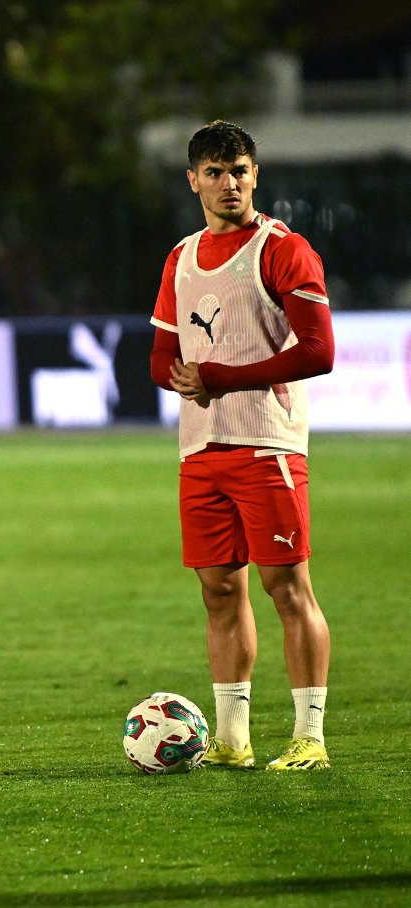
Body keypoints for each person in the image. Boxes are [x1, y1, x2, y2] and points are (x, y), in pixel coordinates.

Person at [150, 120, 335, 771]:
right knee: (219, 590)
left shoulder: (283, 249)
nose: (230, 184)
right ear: (194, 179)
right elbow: (161, 356)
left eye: (241, 171)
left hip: (266, 445)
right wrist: (177, 372)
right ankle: (232, 740)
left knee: (287, 587)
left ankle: (309, 738)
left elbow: (319, 350)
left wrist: (221, 376)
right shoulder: (180, 256)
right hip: (200, 451)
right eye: (217, 172)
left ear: (255, 175)